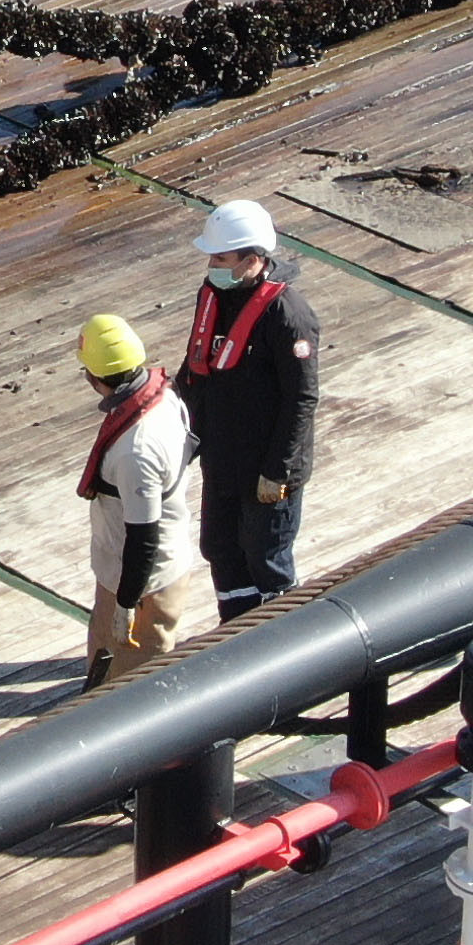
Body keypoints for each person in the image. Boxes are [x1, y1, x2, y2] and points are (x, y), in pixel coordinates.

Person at [177, 201, 321, 622]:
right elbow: (195, 369)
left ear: (252, 260)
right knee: (220, 547)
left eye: (221, 259)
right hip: (223, 457)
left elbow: (302, 398)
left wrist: (278, 470)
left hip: (267, 468)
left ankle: (282, 634)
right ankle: (235, 625)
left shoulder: (288, 315)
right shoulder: (213, 297)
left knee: (266, 557)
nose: (211, 266)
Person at [75, 312, 207, 689]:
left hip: (145, 584)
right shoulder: (162, 395)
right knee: (103, 663)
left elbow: (144, 537)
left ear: (95, 378)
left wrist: (126, 603)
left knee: (137, 680)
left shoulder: (136, 451)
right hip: (123, 572)